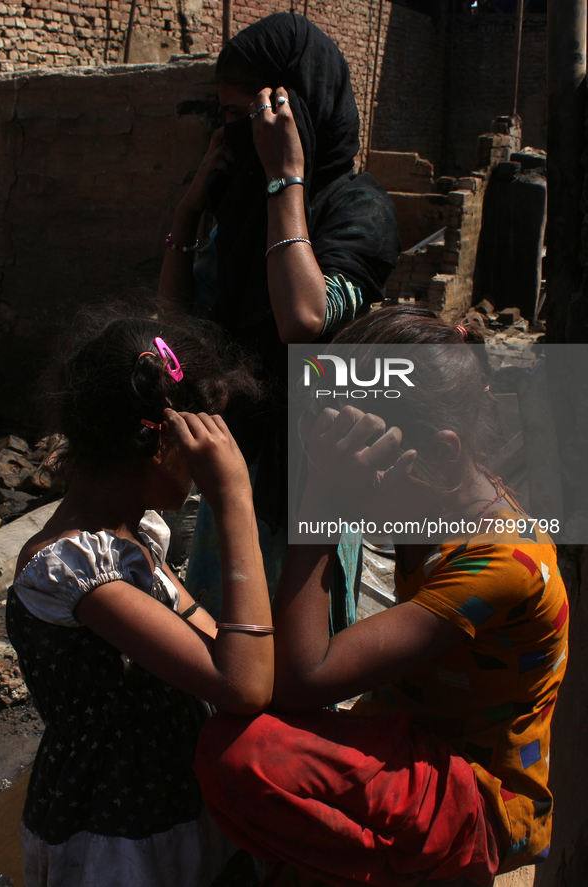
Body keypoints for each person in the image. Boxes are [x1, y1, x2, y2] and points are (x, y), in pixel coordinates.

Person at [194, 307, 569, 886]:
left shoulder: (502, 563)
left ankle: (399, 871)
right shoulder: (447, 505)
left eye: (359, 464)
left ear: (442, 454)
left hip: (479, 800)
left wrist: (323, 503)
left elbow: (300, 678)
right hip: (416, 743)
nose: (350, 482)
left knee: (236, 754)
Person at [6, 310, 274, 887]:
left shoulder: (132, 542)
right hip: (118, 835)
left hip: (170, 807)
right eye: (199, 447)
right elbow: (245, 685)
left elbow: (225, 652)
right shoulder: (74, 571)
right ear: (159, 444)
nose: (204, 469)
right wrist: (235, 502)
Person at [158, 12, 401, 624]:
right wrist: (188, 215)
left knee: (298, 648)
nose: (233, 133)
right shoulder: (239, 205)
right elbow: (176, 327)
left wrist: (284, 178)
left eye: (247, 116)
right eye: (228, 118)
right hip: (235, 452)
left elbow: (303, 318)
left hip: (312, 463)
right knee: (230, 633)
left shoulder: (355, 207)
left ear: (291, 111)